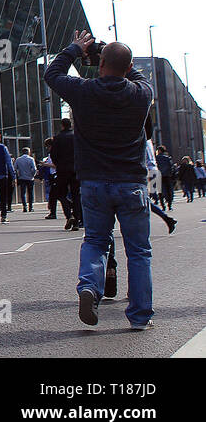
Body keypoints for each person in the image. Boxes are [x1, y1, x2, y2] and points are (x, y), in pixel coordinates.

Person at [44, 32, 156, 329]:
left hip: (93, 183)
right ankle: (140, 317)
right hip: (132, 184)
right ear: (129, 65)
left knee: (95, 241)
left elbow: (52, 73)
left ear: (100, 63)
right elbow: (138, 75)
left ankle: (89, 288)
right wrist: (113, 54)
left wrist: (75, 49)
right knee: (139, 251)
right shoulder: (141, 94)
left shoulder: (83, 90)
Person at [51, 118, 82, 228]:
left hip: (62, 170)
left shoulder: (57, 138)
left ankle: (69, 215)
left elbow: (53, 155)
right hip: (75, 169)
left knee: (61, 194)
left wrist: (58, 164)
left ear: (62, 126)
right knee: (76, 195)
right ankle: (77, 221)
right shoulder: (76, 137)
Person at [15, 147, 38, 212]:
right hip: (30, 178)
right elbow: (34, 169)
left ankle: (24, 206)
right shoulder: (31, 159)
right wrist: (33, 175)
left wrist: (18, 175)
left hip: (22, 177)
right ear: (28, 152)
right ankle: (31, 207)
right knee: (30, 193)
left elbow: (15, 168)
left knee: (23, 192)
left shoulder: (18, 159)